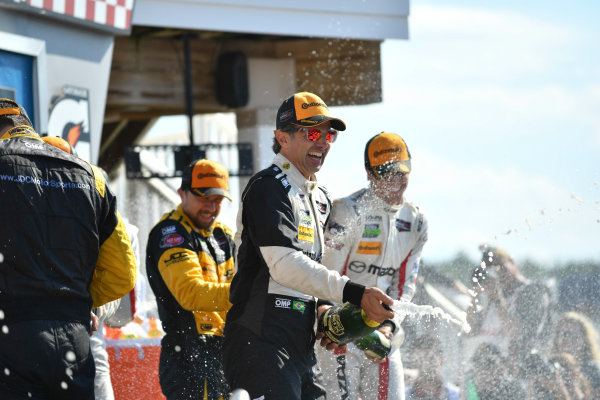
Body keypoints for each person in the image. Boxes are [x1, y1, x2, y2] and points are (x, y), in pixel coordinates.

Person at [223, 92, 395, 400]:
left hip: (300, 338)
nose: (323, 142)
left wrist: (325, 314)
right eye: (312, 133)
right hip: (261, 337)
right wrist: (355, 293)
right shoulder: (268, 186)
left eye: (329, 134)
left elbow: (312, 270)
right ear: (282, 138)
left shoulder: (319, 197)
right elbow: (285, 264)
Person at [0, 98, 137, 399]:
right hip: (74, 339)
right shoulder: (92, 176)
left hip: (12, 335)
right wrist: (73, 303)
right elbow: (122, 273)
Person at [317, 132, 429, 400]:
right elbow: (326, 277)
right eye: (387, 173)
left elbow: (404, 287)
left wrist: (389, 325)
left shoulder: (416, 221)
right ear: (370, 173)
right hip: (341, 330)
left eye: (402, 171)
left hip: (383, 332)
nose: (396, 180)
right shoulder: (347, 211)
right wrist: (338, 324)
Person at [146, 158, 235, 399]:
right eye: (203, 198)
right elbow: (191, 293)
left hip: (226, 351)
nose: (211, 207)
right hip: (188, 353)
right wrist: (247, 293)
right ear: (182, 194)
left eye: (217, 200)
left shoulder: (224, 235)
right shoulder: (170, 232)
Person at [549, 311, 600, 397]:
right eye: (563, 334)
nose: (568, 339)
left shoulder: (592, 370)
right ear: (556, 339)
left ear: (584, 339)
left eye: (574, 335)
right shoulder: (550, 366)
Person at [405, 334, 459, 400]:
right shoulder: (403, 396)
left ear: (442, 359)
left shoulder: (456, 396)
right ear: (415, 361)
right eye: (425, 355)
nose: (430, 361)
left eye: (434, 355)